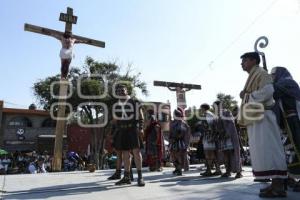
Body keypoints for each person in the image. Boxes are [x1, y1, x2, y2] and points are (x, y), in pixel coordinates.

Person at [238, 52, 287, 198]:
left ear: (253, 60)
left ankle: (279, 187)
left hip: (263, 117)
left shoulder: (261, 72)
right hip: (256, 118)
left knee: (270, 150)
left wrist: (246, 96)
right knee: (263, 152)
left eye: (244, 60)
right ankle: (274, 184)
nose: (242, 64)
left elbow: (268, 91)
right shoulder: (254, 74)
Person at [271, 66, 300, 192]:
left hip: (294, 121)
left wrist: (270, 85)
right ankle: (291, 177)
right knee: (289, 152)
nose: (272, 76)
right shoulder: (278, 84)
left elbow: (275, 92)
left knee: (298, 148)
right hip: (285, 122)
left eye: (273, 74)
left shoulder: (289, 82)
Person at [112, 84, 145, 186]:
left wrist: (141, 127)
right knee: (125, 154)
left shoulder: (134, 101)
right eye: (118, 91)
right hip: (122, 130)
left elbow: (141, 115)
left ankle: (140, 177)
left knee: (136, 152)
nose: (120, 92)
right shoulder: (116, 105)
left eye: (122, 90)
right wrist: (114, 132)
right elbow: (115, 120)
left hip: (133, 129)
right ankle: (126, 177)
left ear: (127, 91)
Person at [213, 101, 243, 178]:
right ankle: (228, 171)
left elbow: (231, 123)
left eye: (217, 106)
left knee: (234, 154)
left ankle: (238, 172)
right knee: (225, 154)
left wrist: (228, 133)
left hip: (230, 137)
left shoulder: (227, 112)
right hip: (223, 137)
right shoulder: (216, 115)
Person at [198, 103, 221, 176]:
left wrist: (210, 135)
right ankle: (217, 170)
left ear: (204, 108)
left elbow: (211, 126)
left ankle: (209, 170)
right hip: (210, 136)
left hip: (209, 137)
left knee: (209, 154)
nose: (200, 110)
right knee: (213, 154)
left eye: (201, 108)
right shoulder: (210, 114)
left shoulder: (207, 115)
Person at [169, 107, 190, 176]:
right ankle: (177, 168)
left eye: (174, 114)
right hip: (175, 142)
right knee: (174, 156)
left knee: (178, 156)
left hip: (179, 142)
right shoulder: (173, 123)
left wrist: (177, 136)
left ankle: (179, 169)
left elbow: (184, 133)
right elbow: (171, 133)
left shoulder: (182, 123)